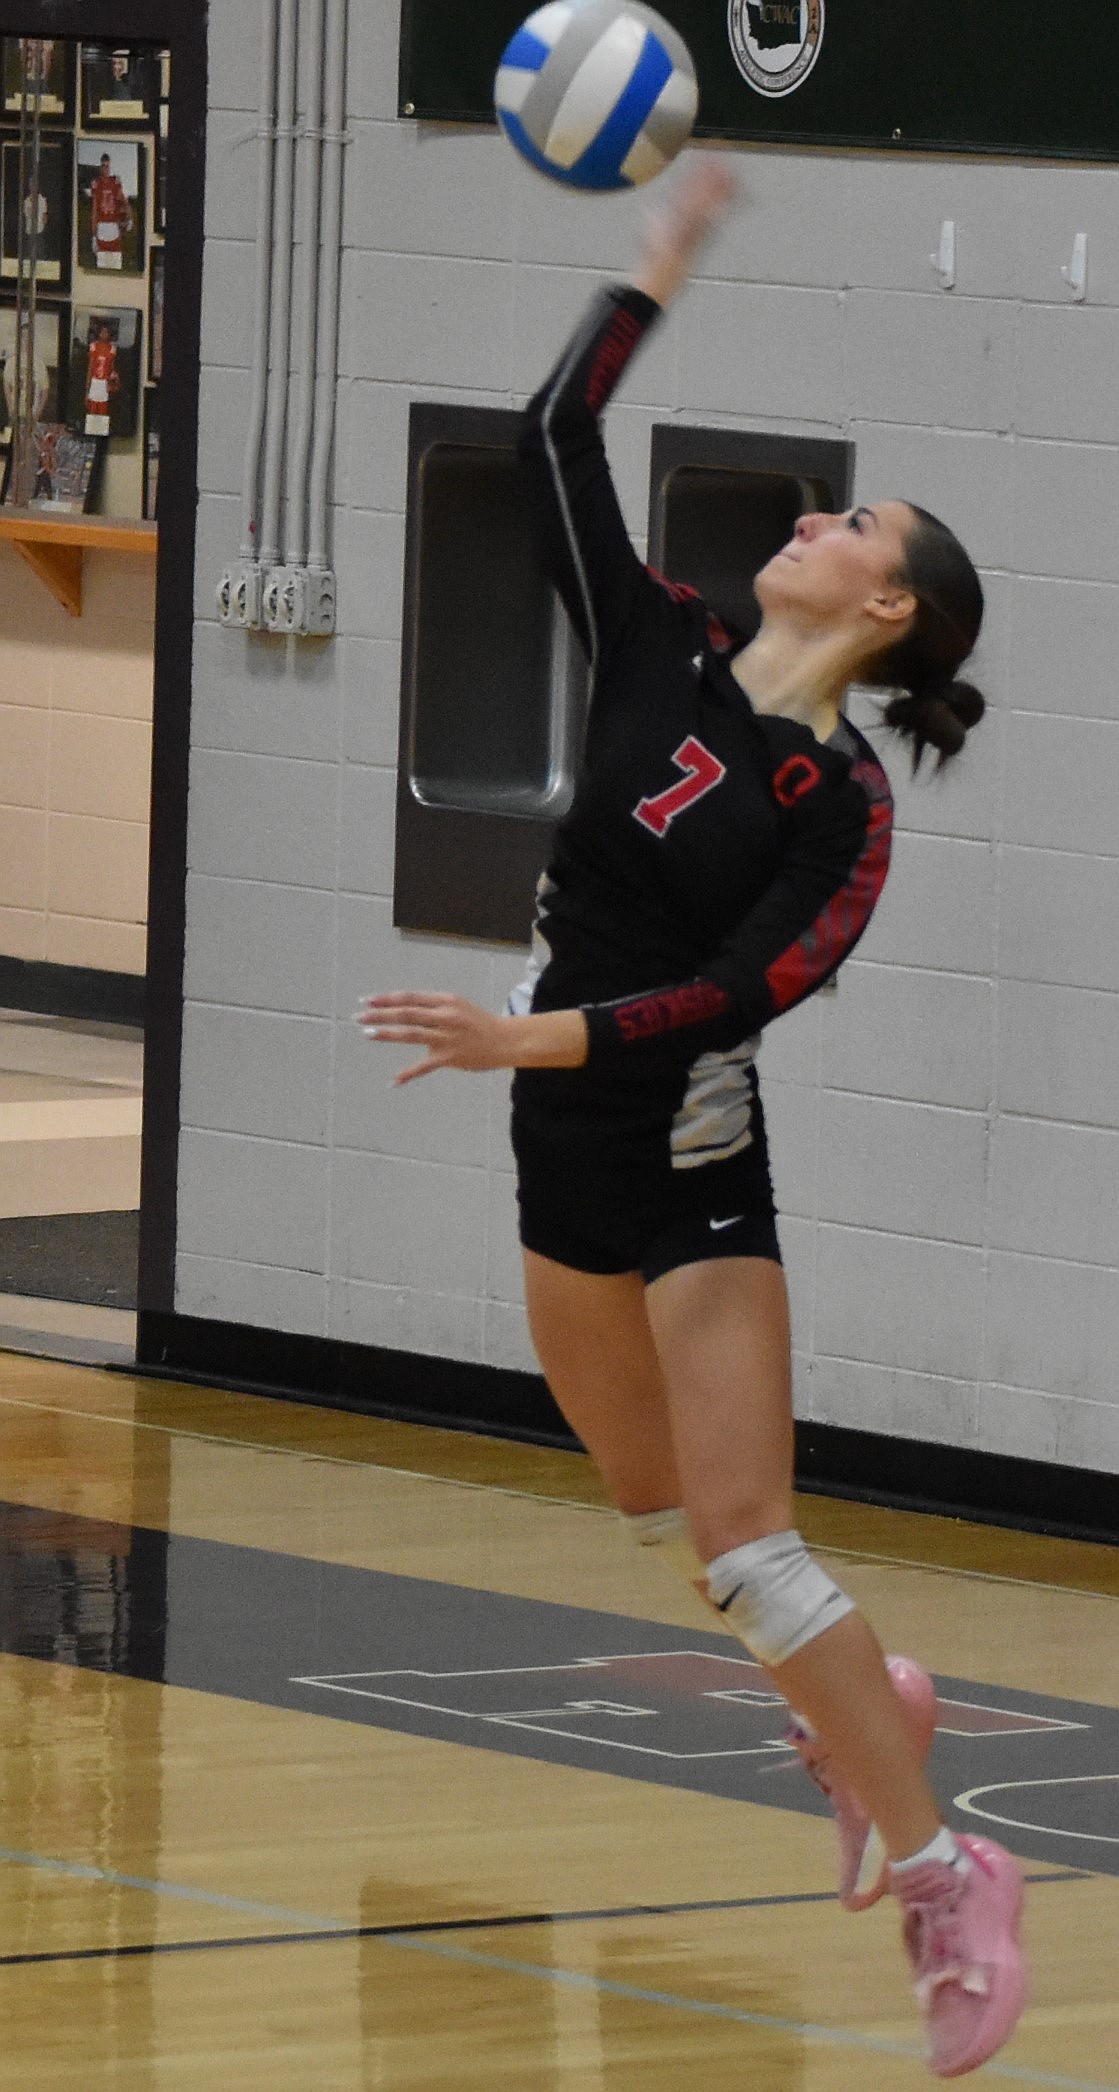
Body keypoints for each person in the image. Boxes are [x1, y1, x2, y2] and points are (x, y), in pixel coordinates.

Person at [359, 161, 1026, 2079]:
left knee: (746, 1549)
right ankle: (861, 1702)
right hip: (553, 1128)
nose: (809, 520)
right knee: (651, 1506)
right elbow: (549, 429)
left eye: (849, 523)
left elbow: (737, 998)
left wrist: (535, 1039)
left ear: (881, 606)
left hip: (681, 1158)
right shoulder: (652, 640)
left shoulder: (838, 811)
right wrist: (660, 256)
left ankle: (942, 1868)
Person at [89, 152, 132, 271]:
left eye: (107, 166)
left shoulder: (115, 181)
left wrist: (129, 218)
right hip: (102, 227)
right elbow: (94, 211)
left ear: (110, 166)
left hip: (114, 228)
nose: (105, 169)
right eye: (103, 166)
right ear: (100, 167)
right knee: (102, 267)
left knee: (116, 265)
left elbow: (123, 200)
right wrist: (93, 235)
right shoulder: (96, 184)